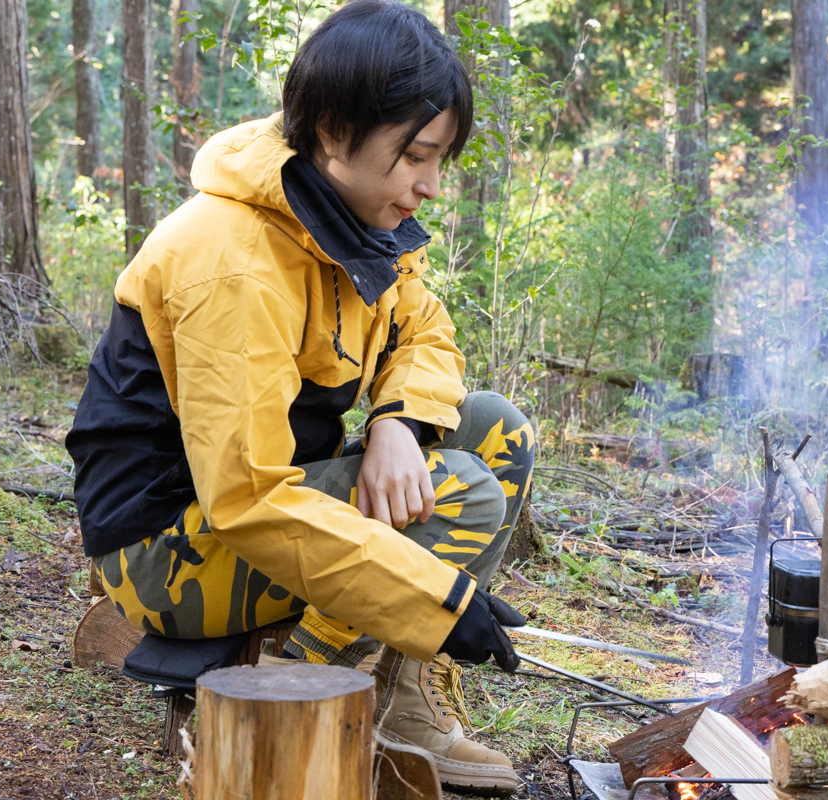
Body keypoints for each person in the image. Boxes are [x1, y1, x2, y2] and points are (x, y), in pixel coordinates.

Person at [65, 1, 534, 793]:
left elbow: (428, 332)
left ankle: (396, 690)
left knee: (496, 429)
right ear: (330, 130)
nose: (429, 184)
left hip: (252, 508)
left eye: (440, 158)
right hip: (169, 544)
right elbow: (246, 498)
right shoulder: (232, 263)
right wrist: (439, 601)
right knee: (463, 495)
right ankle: (295, 682)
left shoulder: (354, 222)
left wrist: (397, 421)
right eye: (415, 154)